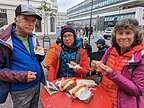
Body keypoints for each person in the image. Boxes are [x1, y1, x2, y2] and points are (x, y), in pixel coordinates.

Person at [91, 18, 144, 108]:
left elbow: (137, 90)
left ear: (135, 35)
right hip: (103, 99)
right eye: (120, 33)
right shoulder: (110, 50)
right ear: (115, 35)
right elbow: (102, 71)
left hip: (122, 104)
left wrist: (112, 74)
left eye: (128, 33)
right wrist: (96, 67)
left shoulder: (140, 57)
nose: (123, 37)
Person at [0, 4, 46, 108]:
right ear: (16, 20)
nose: (31, 24)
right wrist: (22, 76)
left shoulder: (33, 37)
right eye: (26, 19)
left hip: (36, 85)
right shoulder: (4, 41)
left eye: (33, 21)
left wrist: (41, 54)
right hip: (20, 90)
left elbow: (36, 59)